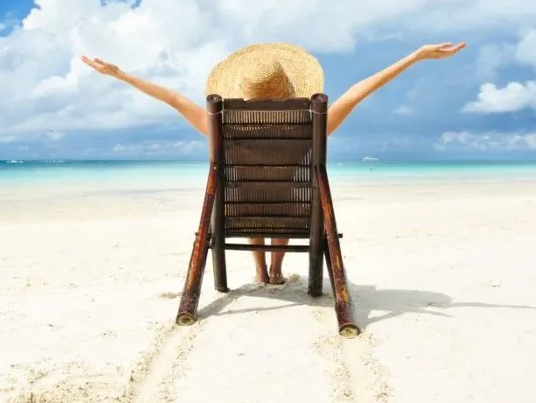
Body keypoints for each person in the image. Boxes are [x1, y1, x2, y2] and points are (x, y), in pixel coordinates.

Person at [81, 41, 466, 285]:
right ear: (290, 90)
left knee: (251, 191)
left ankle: (261, 272)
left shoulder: (221, 124)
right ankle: (278, 270)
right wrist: (414, 57)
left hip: (238, 214)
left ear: (242, 93)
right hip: (293, 215)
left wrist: (120, 75)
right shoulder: (309, 123)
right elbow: (356, 93)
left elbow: (173, 99)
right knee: (284, 193)